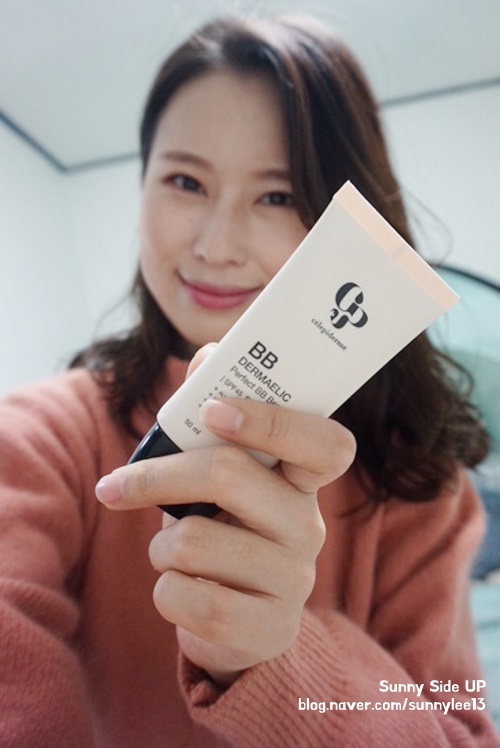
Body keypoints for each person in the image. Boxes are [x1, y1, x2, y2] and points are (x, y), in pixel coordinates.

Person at [0, 13, 498, 747]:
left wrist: (274, 658)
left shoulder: (422, 487)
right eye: (184, 181)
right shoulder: (43, 437)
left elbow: (460, 730)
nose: (216, 245)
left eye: (277, 195)